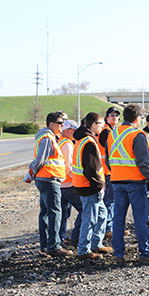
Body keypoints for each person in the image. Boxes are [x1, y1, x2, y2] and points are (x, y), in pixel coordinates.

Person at [106, 104, 149, 265]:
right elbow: (143, 161)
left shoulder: (112, 134)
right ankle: (145, 253)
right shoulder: (138, 135)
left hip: (117, 181)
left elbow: (109, 160)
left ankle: (118, 255)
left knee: (118, 219)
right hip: (135, 182)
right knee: (140, 219)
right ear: (137, 118)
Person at [24, 111, 73, 257]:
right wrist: (31, 173)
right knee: (55, 213)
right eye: (60, 123)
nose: (62, 125)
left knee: (46, 212)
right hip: (49, 179)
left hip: (47, 179)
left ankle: (46, 245)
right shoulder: (47, 138)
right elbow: (40, 160)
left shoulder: (50, 137)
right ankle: (54, 246)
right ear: (51, 124)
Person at [72, 112, 112, 260]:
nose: (102, 127)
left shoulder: (82, 140)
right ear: (94, 125)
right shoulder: (88, 142)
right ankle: (84, 250)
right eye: (101, 124)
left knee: (102, 214)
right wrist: (99, 186)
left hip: (85, 185)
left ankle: (96, 243)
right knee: (90, 219)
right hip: (89, 187)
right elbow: (91, 169)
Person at [58, 119, 83, 245]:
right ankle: (76, 236)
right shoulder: (67, 145)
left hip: (61, 184)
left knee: (62, 213)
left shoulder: (61, 142)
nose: (75, 133)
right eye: (73, 130)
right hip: (68, 184)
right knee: (84, 208)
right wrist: (78, 180)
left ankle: (60, 238)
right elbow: (69, 167)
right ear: (67, 131)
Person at [98, 106, 121, 238]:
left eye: (116, 115)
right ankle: (108, 228)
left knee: (113, 200)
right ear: (106, 118)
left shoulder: (113, 130)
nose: (114, 117)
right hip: (107, 171)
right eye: (111, 115)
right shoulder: (106, 132)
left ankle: (111, 226)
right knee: (110, 201)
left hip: (113, 170)